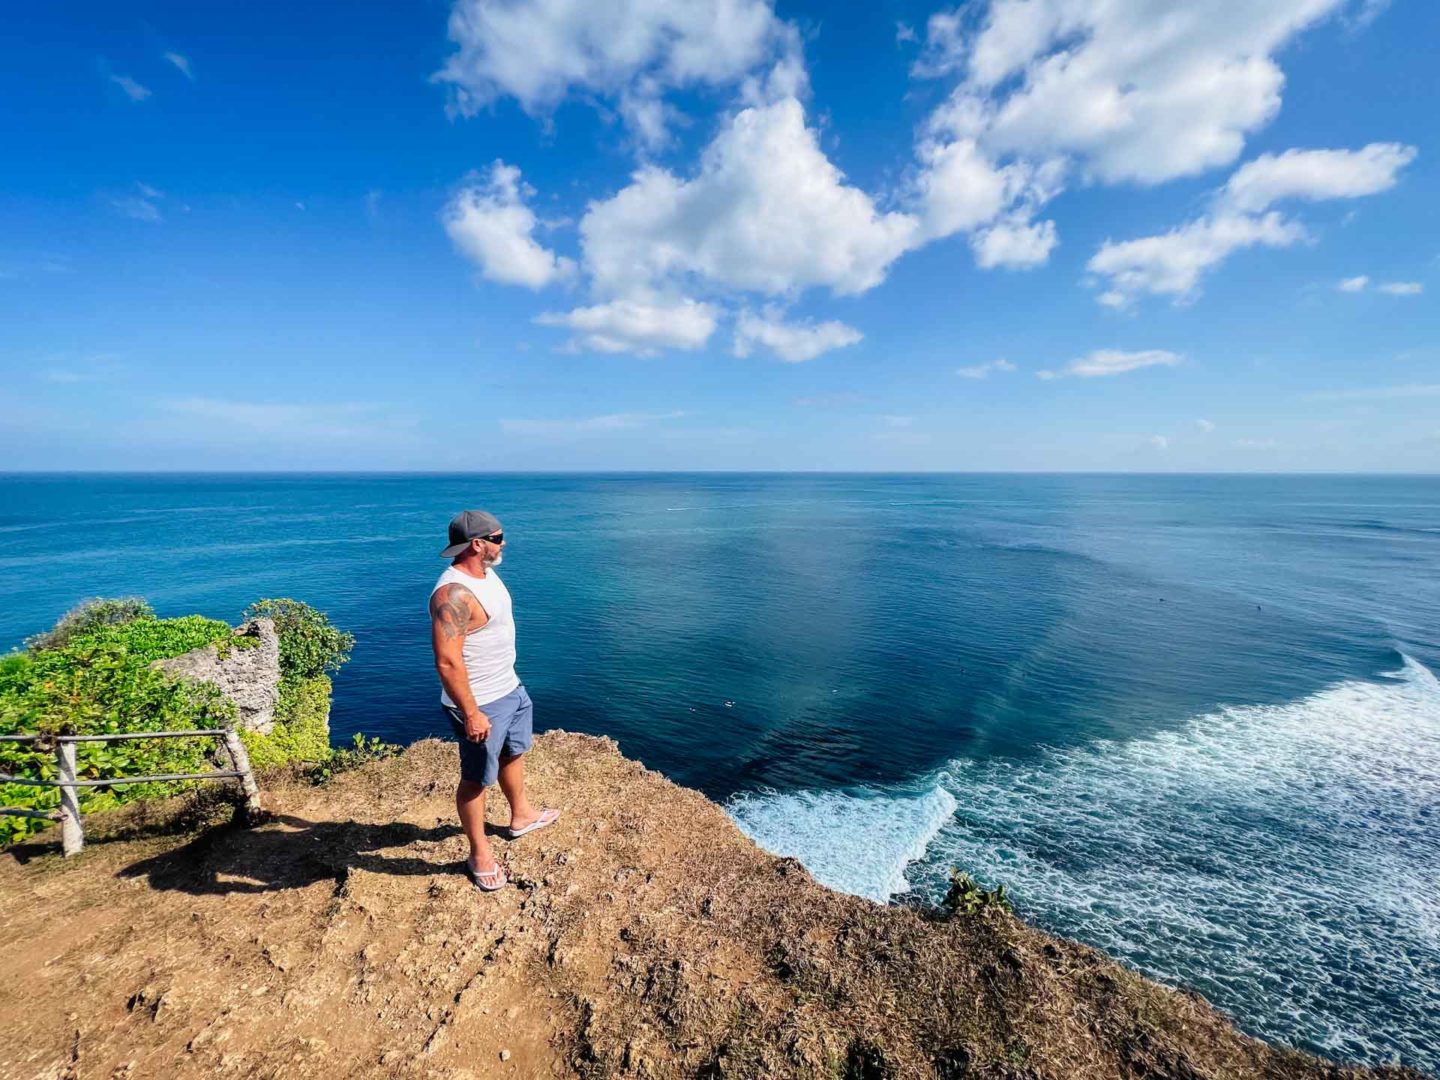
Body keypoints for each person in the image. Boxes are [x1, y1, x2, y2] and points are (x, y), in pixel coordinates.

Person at [429, 509, 558, 891]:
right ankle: (479, 853)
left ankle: (521, 816)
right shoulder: (452, 594)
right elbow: (448, 661)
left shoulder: (485, 573)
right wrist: (471, 713)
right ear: (478, 544)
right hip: (480, 701)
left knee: (513, 753)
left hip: (509, 688)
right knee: (475, 780)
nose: (505, 544)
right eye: (498, 538)